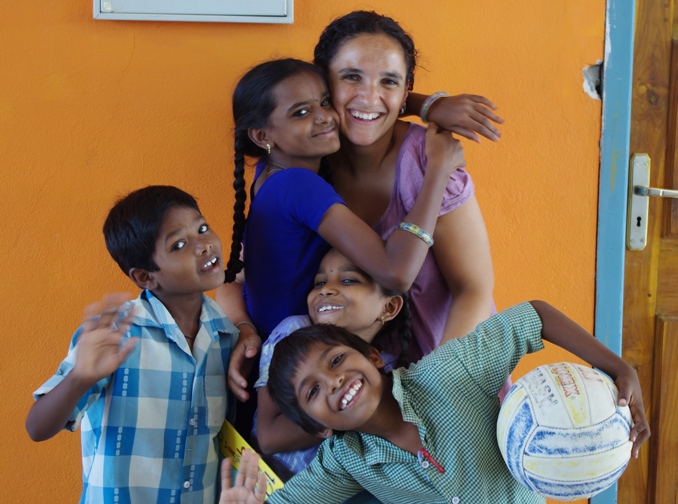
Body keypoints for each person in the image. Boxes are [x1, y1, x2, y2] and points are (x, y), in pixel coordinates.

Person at [225, 12, 498, 407]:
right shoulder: (303, 159)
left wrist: (435, 391)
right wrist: (243, 328)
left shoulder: (429, 158)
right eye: (351, 77)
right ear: (324, 82)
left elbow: (473, 289)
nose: (369, 97)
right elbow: (244, 273)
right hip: (350, 393)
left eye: (390, 81)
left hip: (448, 374)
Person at [219, 302, 651, 504]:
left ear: (372, 356)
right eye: (312, 392)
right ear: (318, 428)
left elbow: (533, 317)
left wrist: (619, 368)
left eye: (336, 360)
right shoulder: (344, 461)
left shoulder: (450, 372)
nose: (334, 382)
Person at [25, 186, 237, 504]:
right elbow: (37, 428)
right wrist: (80, 377)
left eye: (202, 228)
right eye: (179, 244)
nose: (203, 245)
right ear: (145, 277)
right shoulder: (114, 335)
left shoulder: (225, 336)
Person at [253, 248, 410, 479]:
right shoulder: (294, 334)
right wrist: (347, 409)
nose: (326, 289)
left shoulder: (387, 365)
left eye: (348, 280)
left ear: (389, 307)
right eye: (319, 283)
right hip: (267, 480)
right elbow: (268, 439)